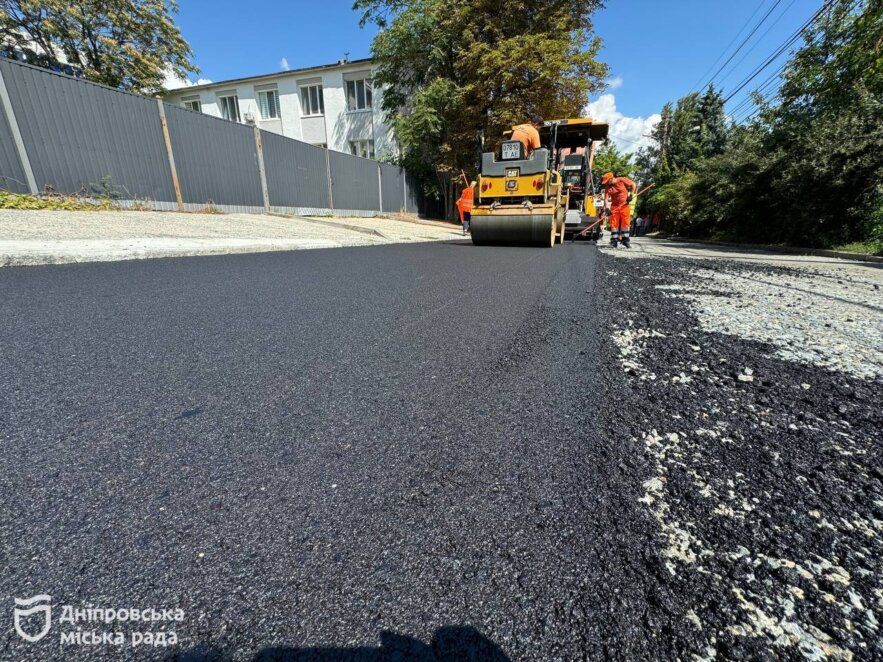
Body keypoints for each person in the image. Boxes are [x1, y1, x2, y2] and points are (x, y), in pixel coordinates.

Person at [600, 171, 637, 248]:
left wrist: (631, 195)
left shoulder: (621, 180)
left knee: (625, 224)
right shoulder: (608, 188)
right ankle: (614, 241)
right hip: (614, 207)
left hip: (624, 206)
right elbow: (606, 199)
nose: (606, 183)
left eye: (607, 182)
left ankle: (625, 241)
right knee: (614, 224)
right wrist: (607, 209)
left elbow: (633, 184)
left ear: (611, 179)